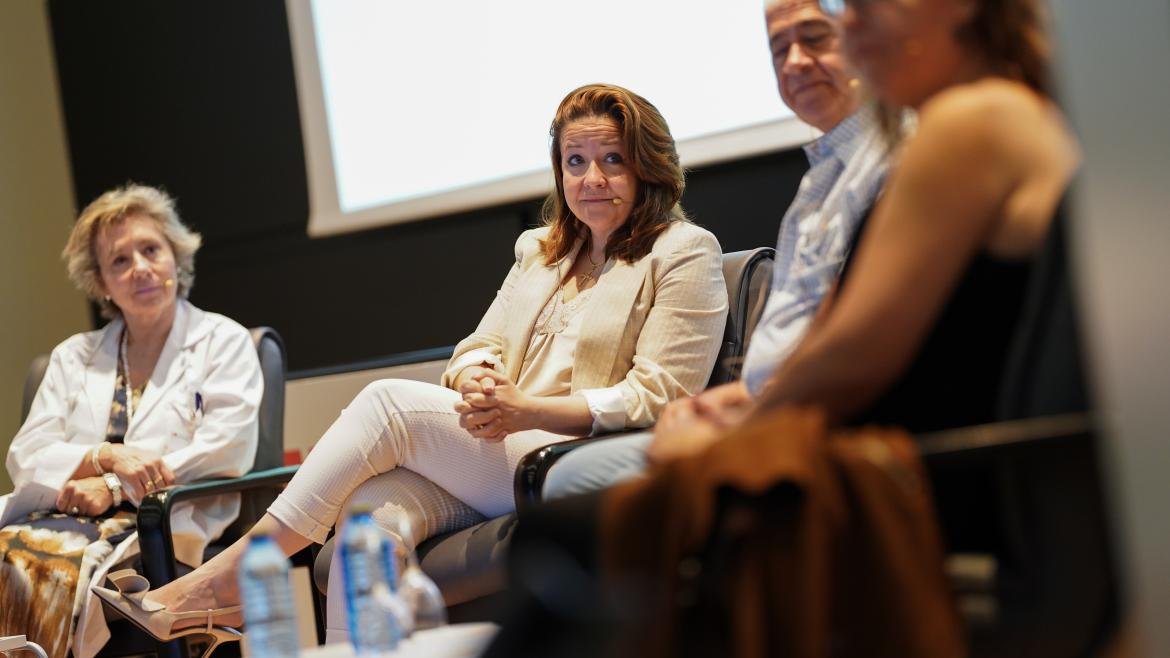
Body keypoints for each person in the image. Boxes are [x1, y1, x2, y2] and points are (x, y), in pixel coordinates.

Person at [487, 0, 1078, 652]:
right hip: (919, 467)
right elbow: (847, 345)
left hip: (918, 486)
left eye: (863, 9)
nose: (850, 28)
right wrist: (738, 410)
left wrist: (736, 434)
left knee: (567, 532)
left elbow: (856, 355)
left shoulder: (970, 120)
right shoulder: (1001, 111)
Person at [93, 83, 728, 641]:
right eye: (576, 161)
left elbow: (661, 396)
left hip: (573, 459)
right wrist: (478, 376)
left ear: (647, 167)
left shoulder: (683, 253)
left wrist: (528, 408)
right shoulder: (543, 253)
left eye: (612, 160)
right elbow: (478, 345)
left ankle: (224, 581)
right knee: (367, 519)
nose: (592, 179)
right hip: (501, 446)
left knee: (388, 405)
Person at [542, 0, 894, 498]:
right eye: (778, 49)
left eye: (814, 38)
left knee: (570, 479)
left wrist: (749, 407)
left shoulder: (896, 161)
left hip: (825, 421)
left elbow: (863, 336)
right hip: (773, 407)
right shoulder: (821, 181)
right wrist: (736, 398)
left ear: (865, 34)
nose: (793, 62)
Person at [0, 185, 263, 658]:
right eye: (119, 260)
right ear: (100, 281)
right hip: (62, 516)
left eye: (151, 250)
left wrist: (118, 488)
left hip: (161, 521)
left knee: (55, 568)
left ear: (174, 259)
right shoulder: (73, 356)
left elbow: (228, 445)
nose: (139, 267)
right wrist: (105, 457)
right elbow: (25, 455)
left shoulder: (222, 340)